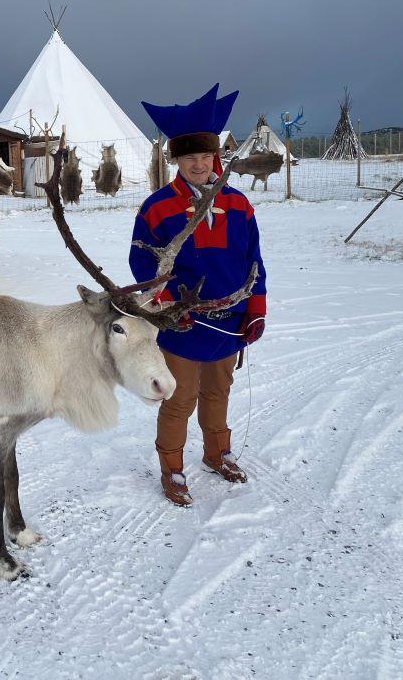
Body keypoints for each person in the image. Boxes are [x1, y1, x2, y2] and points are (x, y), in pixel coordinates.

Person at [130, 84, 267, 507]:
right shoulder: (156, 208)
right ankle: (172, 467)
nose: (198, 165)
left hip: (229, 322)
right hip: (183, 325)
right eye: (189, 158)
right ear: (178, 160)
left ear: (216, 157)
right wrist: (171, 306)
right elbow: (142, 266)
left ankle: (216, 453)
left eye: (205, 157)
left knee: (217, 392)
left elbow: (253, 260)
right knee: (180, 397)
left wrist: (256, 309)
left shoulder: (239, 204)